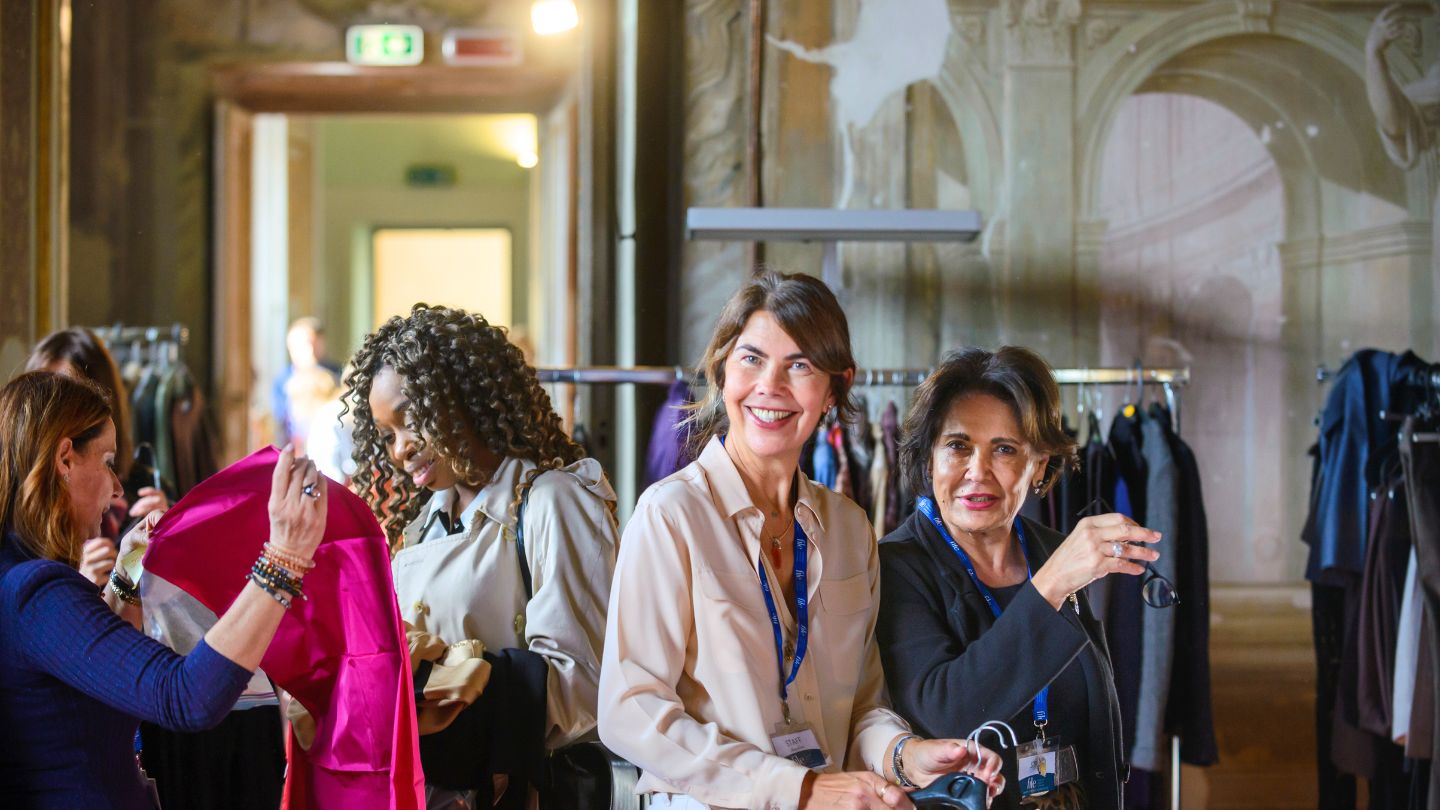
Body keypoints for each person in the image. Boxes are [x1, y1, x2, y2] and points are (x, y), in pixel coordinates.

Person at [598, 270, 1004, 809]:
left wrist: (904, 755)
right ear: (721, 370)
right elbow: (630, 711)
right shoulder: (671, 516)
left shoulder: (849, 529)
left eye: (800, 365)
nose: (770, 386)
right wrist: (800, 788)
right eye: (751, 358)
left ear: (834, 389)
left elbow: (864, 707)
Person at [0, 370, 327, 807]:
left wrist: (127, 574)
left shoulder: (18, 578)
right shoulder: (35, 593)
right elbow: (187, 696)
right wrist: (283, 558)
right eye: (108, 462)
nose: (118, 487)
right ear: (65, 460)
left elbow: (98, 673)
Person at [346, 303, 620, 809]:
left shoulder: (552, 500)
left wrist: (455, 700)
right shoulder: (420, 527)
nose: (400, 449)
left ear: (462, 397)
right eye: (387, 436)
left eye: (410, 419)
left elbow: (585, 686)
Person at [876, 347, 1162, 810]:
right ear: (928, 458)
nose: (977, 471)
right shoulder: (896, 565)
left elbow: (1095, 709)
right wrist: (1050, 586)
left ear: (1039, 464)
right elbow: (944, 711)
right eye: (958, 446)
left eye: (1004, 449)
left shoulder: (1050, 549)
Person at [26, 328, 167, 586]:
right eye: (46, 393)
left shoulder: (144, 488)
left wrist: (165, 542)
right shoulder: (24, 516)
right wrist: (78, 583)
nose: (54, 411)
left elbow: (162, 601)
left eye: (70, 394)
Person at [272, 316, 342, 451]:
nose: (310, 350)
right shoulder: (282, 382)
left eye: (314, 343)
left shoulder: (337, 375)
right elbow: (280, 424)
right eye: (303, 344)